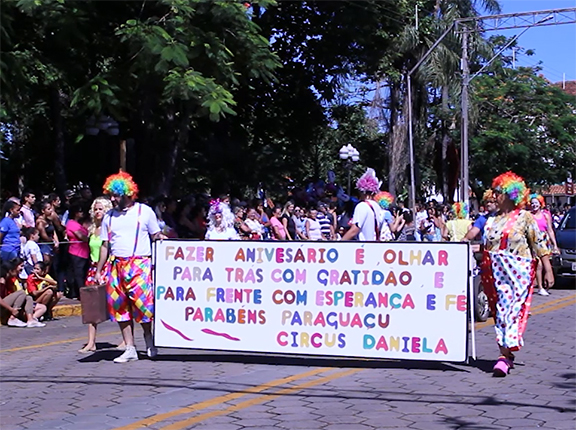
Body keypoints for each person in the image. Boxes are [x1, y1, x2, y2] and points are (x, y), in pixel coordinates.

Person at [480, 171, 554, 377]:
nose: (494, 196)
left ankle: (505, 355)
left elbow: (538, 243)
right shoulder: (492, 220)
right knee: (501, 312)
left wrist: (547, 270)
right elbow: (486, 245)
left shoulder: (525, 217)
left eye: (498, 192)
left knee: (511, 310)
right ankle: (505, 352)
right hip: (496, 272)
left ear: (510, 194)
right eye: (494, 192)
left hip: (518, 271)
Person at [95, 171, 165, 363]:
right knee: (119, 306)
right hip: (117, 265)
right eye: (111, 194)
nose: (113, 198)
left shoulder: (144, 211)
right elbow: (104, 245)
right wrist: (100, 270)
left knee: (143, 306)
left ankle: (149, 340)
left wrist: (169, 245)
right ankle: (130, 347)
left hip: (140, 264)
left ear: (127, 193)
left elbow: (156, 235)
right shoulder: (109, 217)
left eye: (116, 195)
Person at [79, 197, 124, 353]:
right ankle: (91, 342)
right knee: (91, 304)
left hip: (107, 267)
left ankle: (126, 339)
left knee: (115, 302)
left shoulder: (111, 229)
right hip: (93, 268)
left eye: (101, 209)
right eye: (96, 209)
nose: (98, 212)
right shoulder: (92, 229)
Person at [529, 193, 559, 296]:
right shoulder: (529, 216)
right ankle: (540, 287)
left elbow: (550, 230)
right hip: (534, 241)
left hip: (545, 241)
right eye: (532, 203)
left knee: (547, 264)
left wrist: (554, 244)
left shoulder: (546, 215)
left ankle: (546, 284)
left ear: (540, 203)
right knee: (539, 264)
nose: (534, 205)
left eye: (536, 203)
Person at [0, 259, 46, 327]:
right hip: (2, 308)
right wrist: (11, 309)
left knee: (28, 297)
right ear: (10, 271)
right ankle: (13, 318)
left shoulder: (10, 279)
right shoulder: (2, 281)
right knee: (22, 293)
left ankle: (30, 320)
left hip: (7, 305)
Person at [342, 168, 383, 241]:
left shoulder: (362, 206)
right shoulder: (377, 207)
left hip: (363, 247)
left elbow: (354, 230)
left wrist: (339, 243)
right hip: (375, 245)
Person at [66, 203, 90, 299]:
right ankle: (81, 294)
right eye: (80, 211)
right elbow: (82, 237)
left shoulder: (78, 224)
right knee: (78, 274)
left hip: (83, 252)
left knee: (82, 273)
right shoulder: (71, 223)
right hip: (77, 252)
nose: (82, 213)